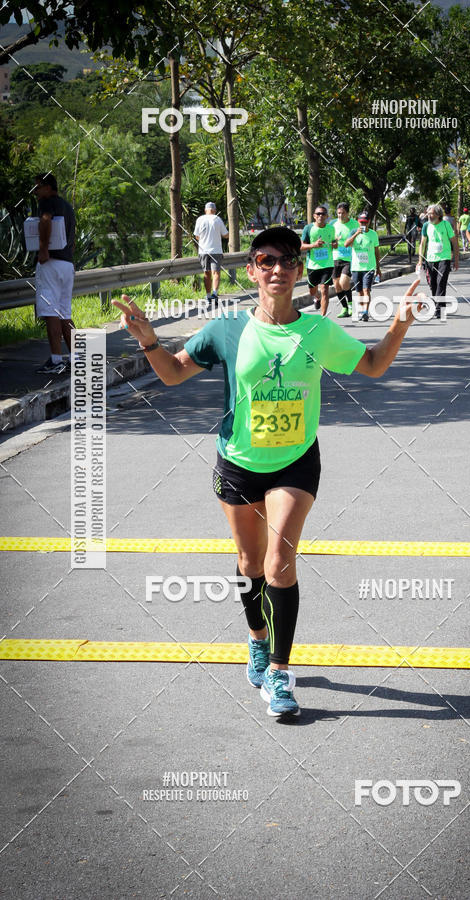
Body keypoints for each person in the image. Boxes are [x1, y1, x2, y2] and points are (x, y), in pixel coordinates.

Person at [112, 227, 422, 718]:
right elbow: (171, 373)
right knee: (248, 563)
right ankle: (257, 639)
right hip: (237, 464)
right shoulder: (228, 329)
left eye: (286, 261)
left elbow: (375, 364)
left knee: (280, 562)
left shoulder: (317, 331)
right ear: (253, 269)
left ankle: (279, 673)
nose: (277, 269)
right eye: (266, 260)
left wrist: (400, 324)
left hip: (296, 461)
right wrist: (149, 339)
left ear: (299, 270)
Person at [33, 173, 76, 375]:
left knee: (50, 312)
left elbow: (45, 221)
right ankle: (77, 358)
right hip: (67, 264)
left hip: (51, 262)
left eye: (38, 187)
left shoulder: (46, 203)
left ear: (49, 187)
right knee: (64, 313)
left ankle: (57, 360)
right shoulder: (67, 206)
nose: (36, 192)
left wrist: (43, 249)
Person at [418, 203, 459, 319]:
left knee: (441, 282)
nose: (429, 216)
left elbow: (454, 242)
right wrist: (420, 260)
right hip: (430, 259)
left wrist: (456, 260)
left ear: (439, 214)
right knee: (433, 284)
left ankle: (439, 309)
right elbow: (422, 243)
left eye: (432, 214)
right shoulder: (426, 226)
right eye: (428, 214)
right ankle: (438, 304)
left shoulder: (446, 225)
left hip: (444, 259)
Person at [345, 211, 381, 322]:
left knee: (366, 290)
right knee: (359, 291)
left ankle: (365, 311)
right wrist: (356, 234)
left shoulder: (373, 234)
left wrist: (378, 268)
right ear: (358, 222)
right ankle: (362, 310)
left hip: (368, 267)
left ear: (369, 222)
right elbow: (346, 244)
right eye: (361, 222)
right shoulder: (353, 232)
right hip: (356, 267)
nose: (363, 225)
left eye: (365, 222)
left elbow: (376, 251)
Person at [301, 206, 337, 315]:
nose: (320, 216)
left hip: (327, 264)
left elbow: (334, 242)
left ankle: (323, 318)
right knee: (312, 291)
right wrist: (314, 245)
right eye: (318, 214)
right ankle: (316, 298)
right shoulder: (308, 228)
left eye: (323, 214)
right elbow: (301, 246)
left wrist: (335, 244)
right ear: (314, 216)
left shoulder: (331, 228)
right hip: (312, 265)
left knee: (325, 290)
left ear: (326, 216)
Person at [193, 202, 229, 304]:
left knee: (206, 273)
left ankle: (208, 296)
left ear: (205, 210)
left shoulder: (200, 219)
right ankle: (214, 293)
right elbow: (225, 234)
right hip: (216, 251)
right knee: (216, 273)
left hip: (203, 251)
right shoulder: (217, 219)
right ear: (214, 210)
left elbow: (196, 236)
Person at [331, 202, 359, 318]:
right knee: (337, 286)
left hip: (349, 258)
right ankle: (344, 308)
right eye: (338, 213)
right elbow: (331, 242)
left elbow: (360, 239)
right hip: (335, 258)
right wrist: (334, 242)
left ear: (347, 213)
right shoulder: (332, 224)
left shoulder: (355, 224)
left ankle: (351, 305)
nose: (340, 216)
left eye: (342, 213)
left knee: (344, 282)